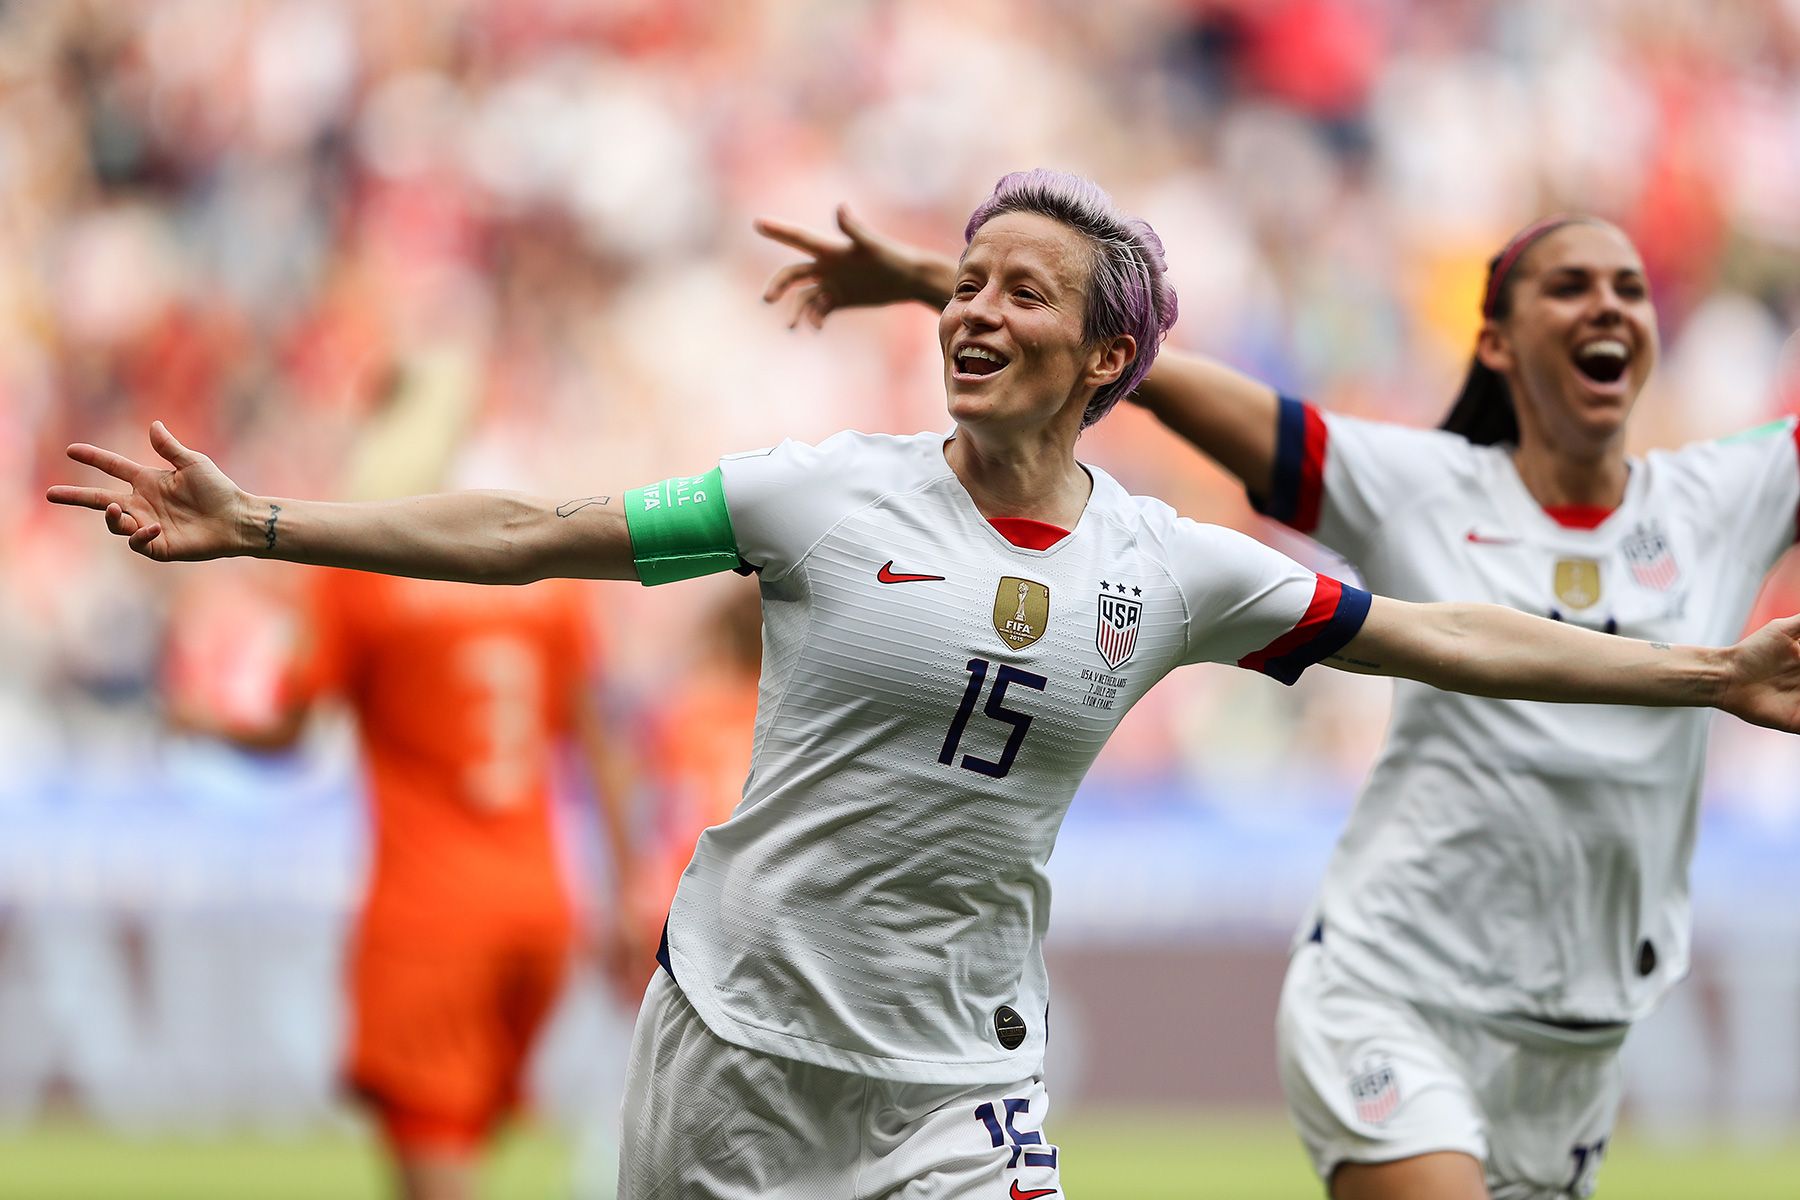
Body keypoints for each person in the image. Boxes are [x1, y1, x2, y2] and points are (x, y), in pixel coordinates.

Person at [48, 172, 1800, 1200]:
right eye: (962, 284)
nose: (970, 311)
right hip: (734, 1041)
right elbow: (532, 528)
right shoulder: (818, 495)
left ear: (1108, 355)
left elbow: (1445, 633)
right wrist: (264, 521)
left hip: (962, 1076)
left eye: (1019, 293)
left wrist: (1705, 670)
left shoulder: (1169, 566)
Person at [755, 204, 1800, 1198]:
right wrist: (932, 280)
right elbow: (1145, 368)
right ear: (1495, 341)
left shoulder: (1727, 496)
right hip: (1396, 994)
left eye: (1630, 288)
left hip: (1583, 1036)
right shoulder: (1415, 482)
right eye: (1570, 286)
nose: (1608, 306)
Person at [167, 367, 644, 1200]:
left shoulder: (357, 575)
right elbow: (600, 747)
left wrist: (195, 720)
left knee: (432, 1164)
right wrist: (632, 884)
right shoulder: (547, 584)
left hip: (429, 915)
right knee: (459, 1147)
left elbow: (287, 733)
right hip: (542, 908)